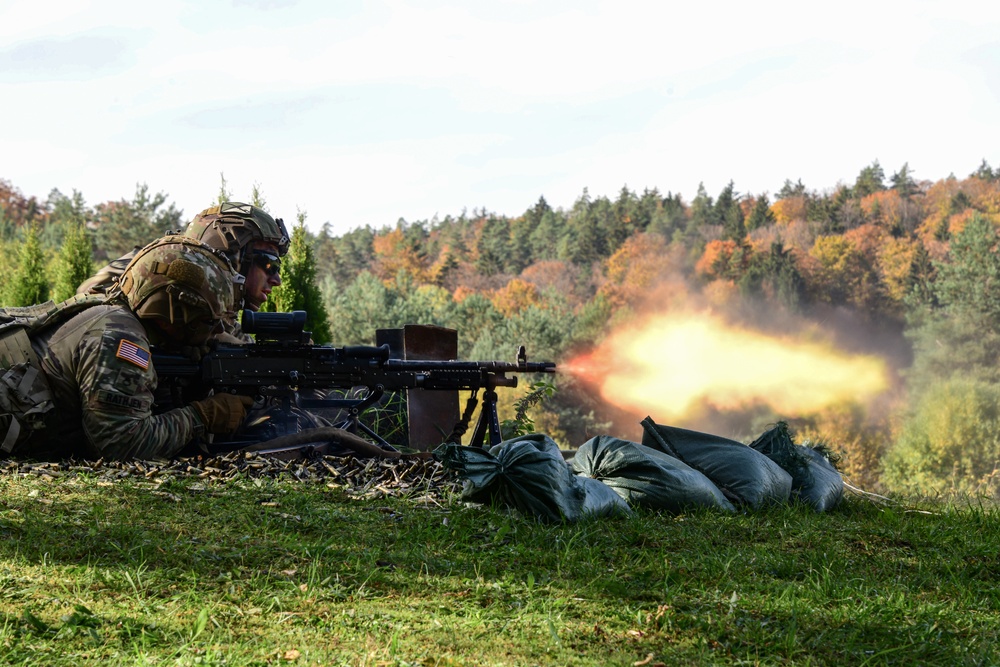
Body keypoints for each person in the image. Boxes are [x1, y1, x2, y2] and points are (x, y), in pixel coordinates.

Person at [1, 236, 254, 461]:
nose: (219, 330)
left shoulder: (115, 314)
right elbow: (119, 444)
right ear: (175, 312)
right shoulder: (119, 334)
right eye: (209, 321)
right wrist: (202, 416)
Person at [77, 201, 289, 314]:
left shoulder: (211, 317)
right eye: (270, 264)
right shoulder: (152, 276)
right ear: (234, 258)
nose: (276, 280)